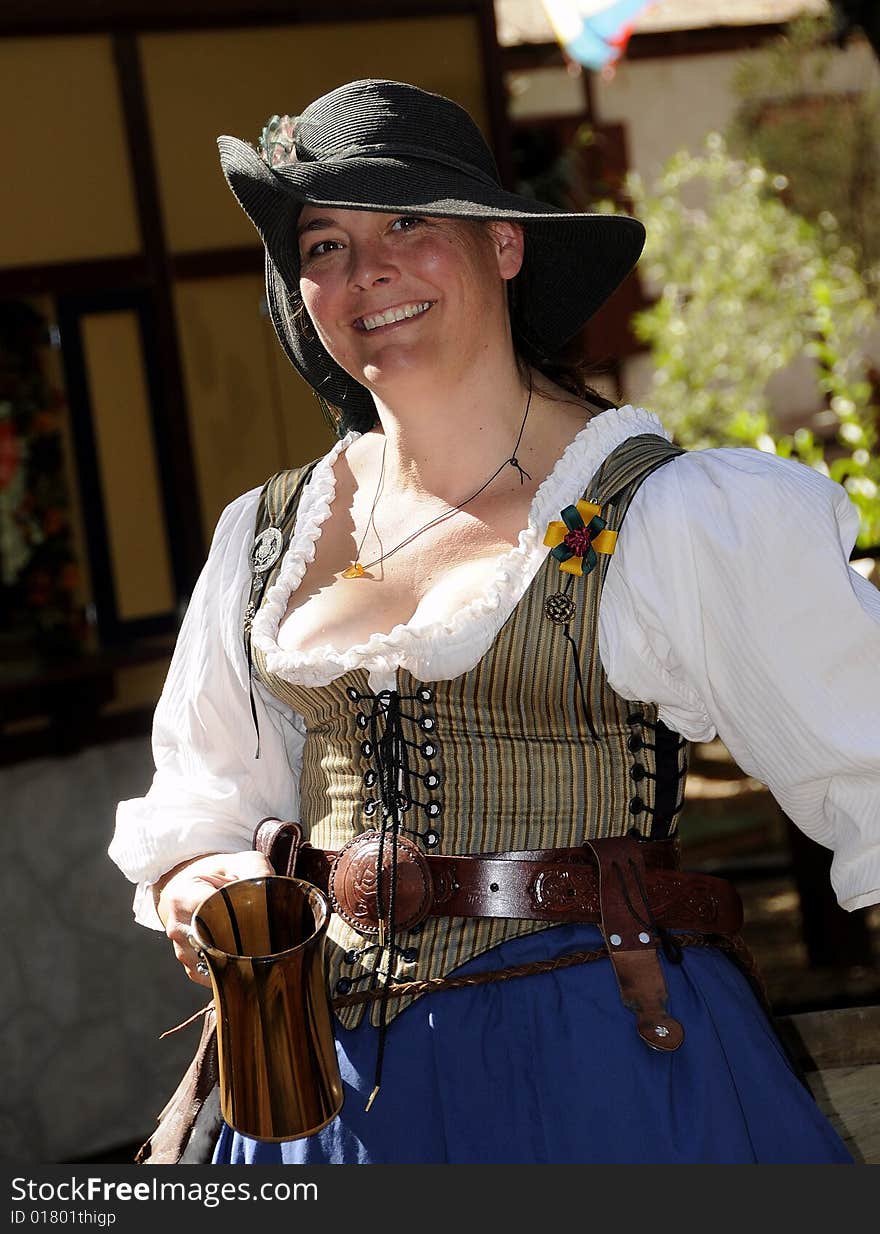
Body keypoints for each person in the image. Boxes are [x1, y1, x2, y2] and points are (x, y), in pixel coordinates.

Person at [110, 78, 878, 1165]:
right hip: (320, 1100)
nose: (363, 270)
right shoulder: (267, 535)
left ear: (505, 246)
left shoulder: (667, 514)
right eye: (321, 244)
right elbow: (203, 801)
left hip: (601, 1057)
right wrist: (201, 882)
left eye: (407, 222)